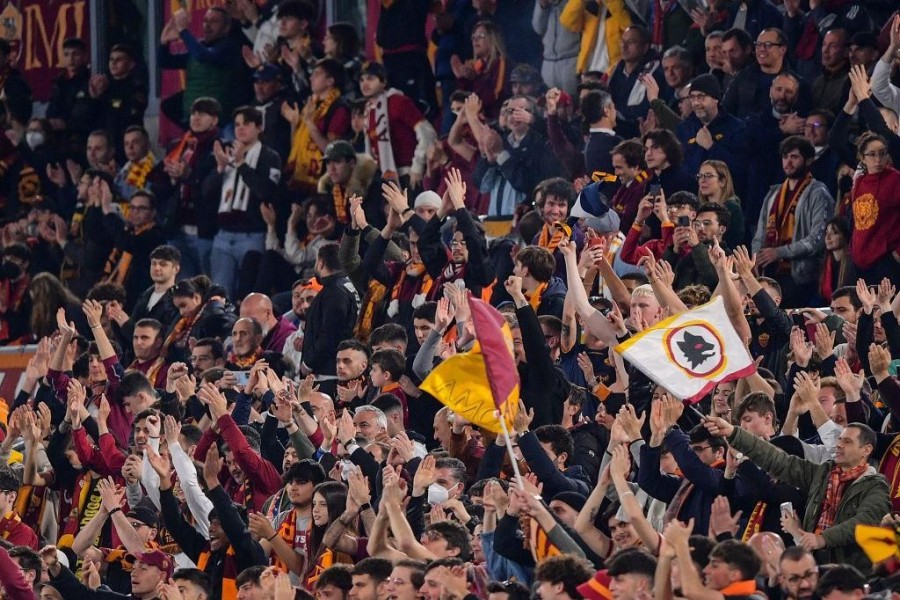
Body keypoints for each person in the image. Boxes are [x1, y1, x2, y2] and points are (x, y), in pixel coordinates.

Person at [705, 417, 891, 573]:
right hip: (813, 568)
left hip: (850, 576)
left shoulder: (877, 487)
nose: (839, 445)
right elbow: (779, 460)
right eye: (839, 439)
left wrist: (822, 538)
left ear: (866, 450)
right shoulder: (822, 474)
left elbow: (863, 522)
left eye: (847, 441)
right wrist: (734, 433)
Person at [205, 106, 283, 299]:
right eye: (237, 124)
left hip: (252, 236)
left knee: (248, 296)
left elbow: (265, 192)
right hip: (223, 237)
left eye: (246, 124)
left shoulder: (269, 156)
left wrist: (241, 164)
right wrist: (221, 167)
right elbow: (206, 193)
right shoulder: (226, 154)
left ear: (259, 127)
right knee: (220, 298)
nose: (240, 128)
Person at [752, 136, 833, 307]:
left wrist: (779, 252)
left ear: (808, 160)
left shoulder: (818, 193)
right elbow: (760, 234)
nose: (788, 162)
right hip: (771, 271)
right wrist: (756, 258)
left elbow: (817, 239)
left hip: (801, 275)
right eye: (785, 156)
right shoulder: (773, 193)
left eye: (794, 157)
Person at [848, 133, 900, 284]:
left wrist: (897, 254)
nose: (878, 159)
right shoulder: (859, 181)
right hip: (860, 262)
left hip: (886, 261)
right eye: (871, 154)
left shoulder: (895, 179)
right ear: (862, 157)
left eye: (882, 153)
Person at [453, 21, 508, 120]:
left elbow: (496, 96)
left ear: (492, 38)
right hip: (473, 117)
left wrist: (475, 78)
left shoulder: (501, 63)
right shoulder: (474, 65)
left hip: (494, 119)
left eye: (481, 35)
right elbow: (460, 99)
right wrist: (462, 78)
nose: (475, 39)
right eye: (473, 36)